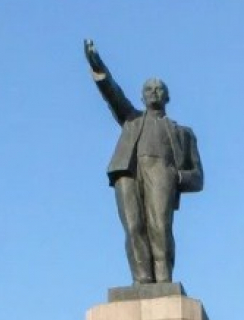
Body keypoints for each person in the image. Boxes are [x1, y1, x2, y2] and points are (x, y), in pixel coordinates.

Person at [84, 40, 204, 285]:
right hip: (128, 173)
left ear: (168, 96)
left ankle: (163, 282)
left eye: (159, 89)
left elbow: (198, 177)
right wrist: (98, 67)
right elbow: (112, 94)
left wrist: (176, 177)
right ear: (141, 96)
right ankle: (142, 280)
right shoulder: (131, 118)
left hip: (162, 174)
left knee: (159, 229)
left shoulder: (183, 133)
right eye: (149, 89)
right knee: (134, 227)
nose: (154, 92)